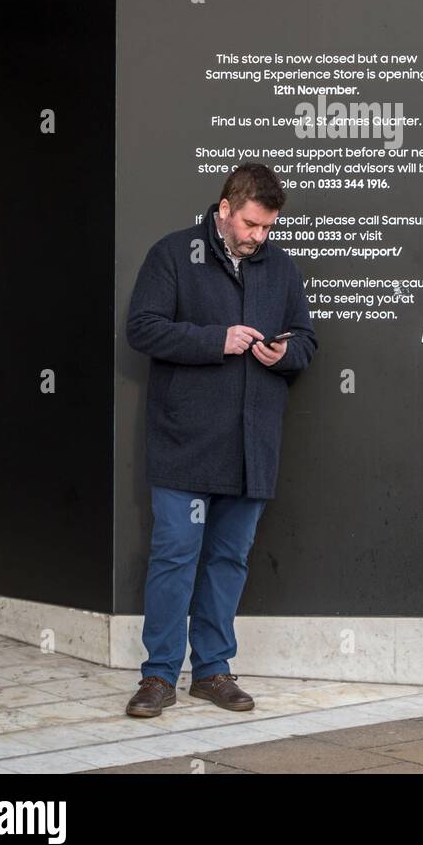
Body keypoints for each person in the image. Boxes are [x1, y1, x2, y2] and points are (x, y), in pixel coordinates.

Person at [124, 162, 317, 717]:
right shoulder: (173, 253)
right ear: (225, 209)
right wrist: (218, 339)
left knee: (228, 559)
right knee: (174, 557)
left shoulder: (280, 267)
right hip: (184, 442)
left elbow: (307, 340)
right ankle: (158, 677)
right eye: (253, 225)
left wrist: (287, 354)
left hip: (251, 444)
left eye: (269, 228)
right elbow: (142, 327)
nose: (261, 237)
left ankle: (211, 671)